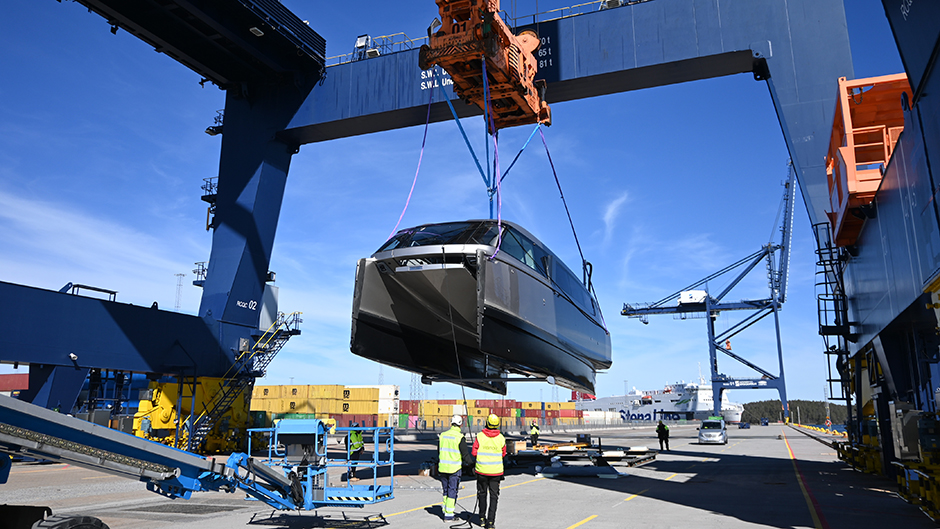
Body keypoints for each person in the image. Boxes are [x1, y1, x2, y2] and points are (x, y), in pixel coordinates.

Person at [473, 414, 506, 529]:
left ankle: (481, 519)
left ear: (486, 423)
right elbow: (503, 453)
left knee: (482, 494)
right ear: (497, 425)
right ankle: (491, 522)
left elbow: (474, 452)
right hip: (496, 472)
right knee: (494, 497)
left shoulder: (480, 436)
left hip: (481, 471)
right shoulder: (501, 438)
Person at [438, 414, 470, 522]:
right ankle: (449, 515)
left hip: (442, 468)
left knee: (445, 490)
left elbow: (439, 451)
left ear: (451, 423)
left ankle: (445, 509)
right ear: (461, 425)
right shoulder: (460, 437)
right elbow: (465, 455)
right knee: (452, 491)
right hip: (454, 468)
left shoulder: (442, 435)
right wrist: (472, 465)